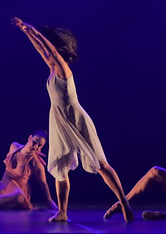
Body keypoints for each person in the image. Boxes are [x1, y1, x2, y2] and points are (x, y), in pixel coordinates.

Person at [12, 18, 131, 222]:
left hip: (76, 120)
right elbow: (41, 50)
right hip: (58, 121)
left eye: (51, 51)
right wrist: (26, 32)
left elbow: (52, 52)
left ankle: (124, 203)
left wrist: (35, 31)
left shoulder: (63, 70)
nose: (46, 54)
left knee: (101, 165)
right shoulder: (51, 68)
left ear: (59, 51)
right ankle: (63, 212)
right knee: (60, 168)